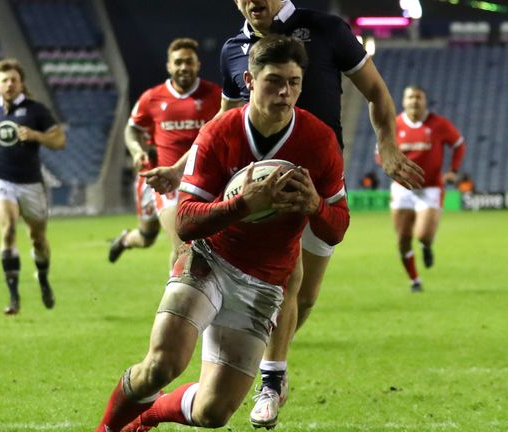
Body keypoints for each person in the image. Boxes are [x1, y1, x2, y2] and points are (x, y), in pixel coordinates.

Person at [141, 2, 424, 428]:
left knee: (305, 296)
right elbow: (223, 118)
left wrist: (387, 143)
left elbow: (377, 90)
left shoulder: (326, 29)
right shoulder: (234, 49)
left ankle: (265, 362)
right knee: (282, 275)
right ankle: (269, 378)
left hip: (318, 184)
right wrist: (182, 168)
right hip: (253, 184)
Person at [94, 34, 349, 432]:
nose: (285, 93)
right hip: (208, 261)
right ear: (248, 81)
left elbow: (337, 229)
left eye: (294, 83)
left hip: (264, 284)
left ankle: (148, 416)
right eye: (273, 81)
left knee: (212, 413)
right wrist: (242, 205)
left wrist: (316, 206)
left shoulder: (319, 141)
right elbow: (186, 220)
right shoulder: (220, 132)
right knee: (163, 364)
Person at [108, 38, 221, 269]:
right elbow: (132, 129)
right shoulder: (153, 98)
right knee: (147, 237)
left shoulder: (215, 96)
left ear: (197, 64)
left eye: (188, 62)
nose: (183, 67)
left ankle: (177, 301)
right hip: (164, 180)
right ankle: (127, 239)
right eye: (178, 62)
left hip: (202, 181)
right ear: (169, 66)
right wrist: (137, 150)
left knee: (184, 246)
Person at [0, 58, 66, 315]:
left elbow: (59, 140)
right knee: (8, 228)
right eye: (4, 80)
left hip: (32, 184)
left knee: (38, 239)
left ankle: (43, 279)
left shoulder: (36, 111)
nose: (9, 84)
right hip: (2, 181)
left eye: (14, 79)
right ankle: (14, 298)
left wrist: (37, 136)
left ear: (21, 83)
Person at [392, 85, 465, 292]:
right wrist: (389, 166)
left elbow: (459, 144)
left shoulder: (438, 124)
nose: (414, 101)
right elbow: (381, 151)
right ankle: (415, 281)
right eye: (410, 97)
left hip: (430, 188)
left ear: (425, 101)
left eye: (418, 97)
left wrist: (453, 170)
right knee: (403, 240)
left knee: (422, 234)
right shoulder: (395, 124)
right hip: (402, 188)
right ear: (404, 101)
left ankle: (426, 245)